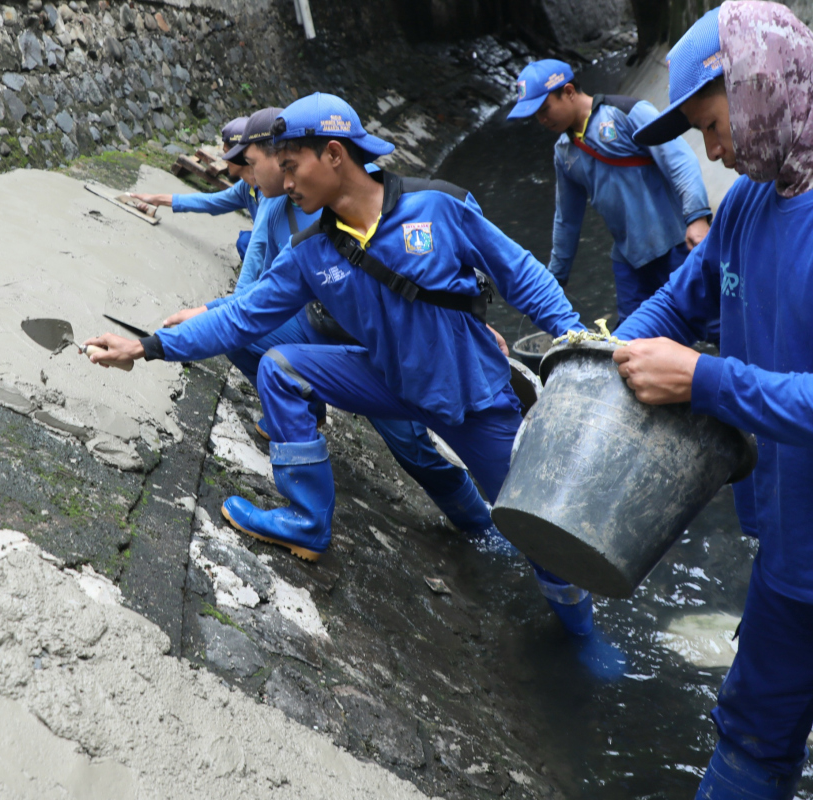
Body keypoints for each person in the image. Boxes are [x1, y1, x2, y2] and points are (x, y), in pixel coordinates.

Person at [87, 93, 625, 677]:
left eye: (291, 166)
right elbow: (243, 317)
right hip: (390, 382)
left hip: (473, 397)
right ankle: (308, 521)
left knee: (539, 528)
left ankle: (581, 637)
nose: (284, 181)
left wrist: (575, 346)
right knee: (282, 367)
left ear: (335, 154)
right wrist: (147, 347)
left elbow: (521, 276)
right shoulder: (312, 251)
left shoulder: (438, 207)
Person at [612, 1, 813, 799]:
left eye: (714, 124)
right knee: (745, 749)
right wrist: (602, 361)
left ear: (764, 88)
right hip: (793, 556)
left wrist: (706, 380)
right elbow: (674, 308)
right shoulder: (747, 204)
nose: (713, 152)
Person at [165, 106, 498, 536]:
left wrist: (473, 326)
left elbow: (439, 274)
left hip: (380, 351)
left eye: (251, 165)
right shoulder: (273, 207)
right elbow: (251, 297)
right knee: (253, 347)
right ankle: (306, 447)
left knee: (417, 453)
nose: (246, 177)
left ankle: (482, 528)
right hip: (316, 325)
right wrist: (207, 314)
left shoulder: (371, 194)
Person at [509, 59, 713, 323]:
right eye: (536, 114)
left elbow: (679, 160)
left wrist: (697, 217)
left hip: (676, 243)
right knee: (630, 341)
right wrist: (557, 278)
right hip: (629, 258)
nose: (542, 119)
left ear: (569, 91)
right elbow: (567, 220)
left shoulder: (626, 113)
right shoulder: (564, 152)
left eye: (544, 108)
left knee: (712, 322)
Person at [123, 117, 261, 258]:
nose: (224, 159)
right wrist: (157, 199)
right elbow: (210, 202)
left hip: (279, 252)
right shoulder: (245, 188)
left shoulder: (271, 193)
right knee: (247, 242)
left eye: (228, 153)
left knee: (248, 243)